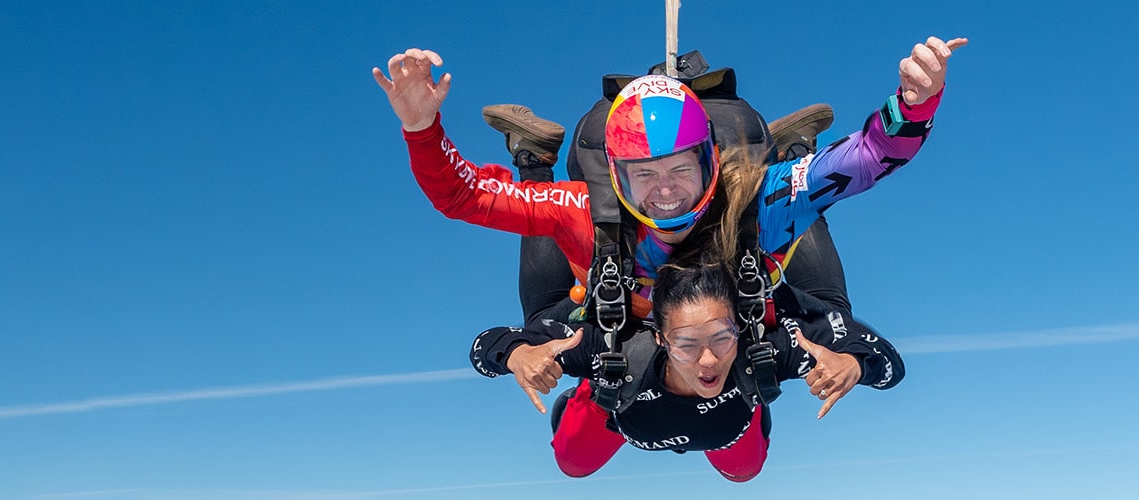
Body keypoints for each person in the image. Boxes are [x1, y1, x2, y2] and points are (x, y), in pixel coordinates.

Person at [373, 36, 967, 319]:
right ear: (615, 176)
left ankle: (792, 151)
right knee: (547, 311)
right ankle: (536, 158)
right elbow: (462, 196)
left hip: (722, 304)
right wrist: (422, 129)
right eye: (643, 175)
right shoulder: (587, 208)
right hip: (625, 305)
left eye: (681, 168)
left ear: (710, 160)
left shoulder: (754, 198)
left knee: (825, 298)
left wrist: (912, 105)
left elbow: (871, 156)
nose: (664, 191)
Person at [469, 256, 906, 481]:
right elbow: (485, 347)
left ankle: (795, 175)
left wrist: (852, 365)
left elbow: (889, 367)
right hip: (621, 398)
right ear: (659, 337)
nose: (709, 360)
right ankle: (536, 168)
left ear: (739, 328)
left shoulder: (764, 351)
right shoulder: (610, 350)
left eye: (722, 338)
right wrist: (519, 355)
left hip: (724, 417)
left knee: (745, 472)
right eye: (686, 345)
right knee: (571, 461)